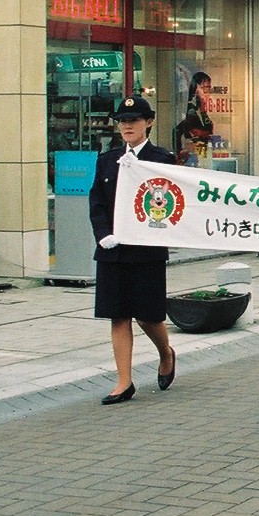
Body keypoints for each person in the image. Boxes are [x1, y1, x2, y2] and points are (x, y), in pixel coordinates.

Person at [88, 96, 177, 406]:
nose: (127, 126)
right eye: (122, 121)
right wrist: (103, 235)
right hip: (113, 250)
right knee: (118, 315)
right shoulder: (107, 159)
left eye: (134, 120)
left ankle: (165, 354)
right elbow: (97, 202)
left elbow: (172, 202)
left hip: (146, 250)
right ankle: (124, 382)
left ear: (148, 122)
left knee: (148, 317)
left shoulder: (162, 159)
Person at [173, 70, 214, 161]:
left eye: (209, 88)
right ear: (196, 88)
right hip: (194, 155)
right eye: (204, 88)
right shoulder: (191, 110)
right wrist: (180, 151)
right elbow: (177, 131)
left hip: (204, 154)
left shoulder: (202, 108)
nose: (207, 92)